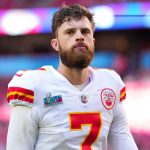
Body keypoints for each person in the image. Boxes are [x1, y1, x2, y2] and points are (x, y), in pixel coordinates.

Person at [6, 4, 138, 150]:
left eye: (85, 32)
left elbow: (124, 142)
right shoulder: (33, 85)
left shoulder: (110, 83)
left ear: (93, 41)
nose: (80, 36)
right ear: (55, 44)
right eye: (70, 32)